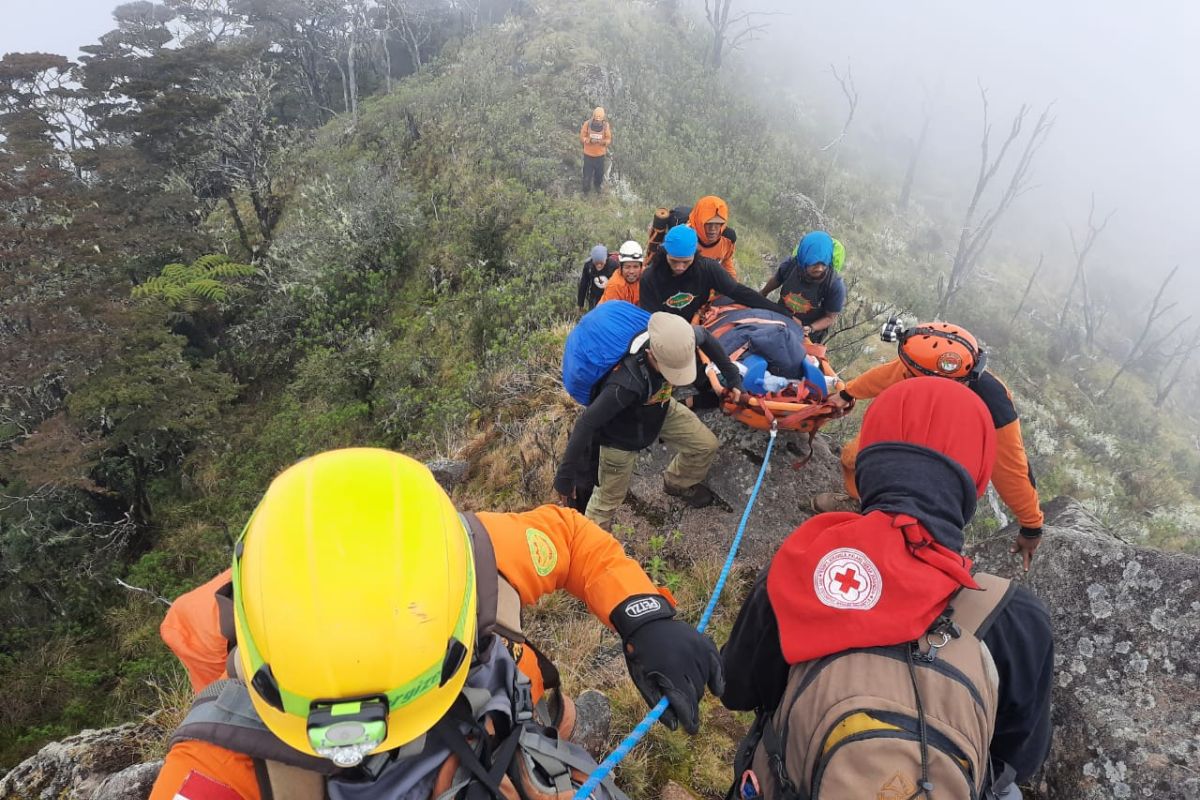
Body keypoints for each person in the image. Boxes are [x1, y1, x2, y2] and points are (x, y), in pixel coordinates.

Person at [151, 448, 724, 800]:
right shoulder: (217, 765)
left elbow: (569, 540)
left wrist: (644, 617)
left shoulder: (460, 558)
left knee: (556, 722)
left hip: (513, 732)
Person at [721, 379, 1053, 800]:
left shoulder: (806, 562)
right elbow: (1018, 760)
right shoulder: (1016, 618)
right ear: (978, 478)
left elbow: (736, 688)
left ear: (868, 462)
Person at [820, 321, 1045, 570]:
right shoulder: (918, 368)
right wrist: (847, 393)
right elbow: (885, 376)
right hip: (912, 429)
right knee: (853, 456)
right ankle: (859, 504)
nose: (904, 374)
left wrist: (1031, 525)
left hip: (949, 459)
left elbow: (1011, 468)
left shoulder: (993, 404)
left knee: (922, 503)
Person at [555, 312, 743, 527]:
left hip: (659, 407)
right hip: (619, 439)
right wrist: (564, 479)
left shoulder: (677, 341)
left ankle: (676, 484)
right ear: (651, 353)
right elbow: (586, 423)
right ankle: (590, 549)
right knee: (608, 501)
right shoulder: (625, 384)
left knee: (705, 445)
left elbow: (706, 337)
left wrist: (733, 378)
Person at [638, 225, 791, 323]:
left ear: (694, 254)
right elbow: (651, 319)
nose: (679, 267)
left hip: (699, 320)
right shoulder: (650, 277)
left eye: (686, 261)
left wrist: (782, 313)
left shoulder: (706, 269)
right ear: (666, 253)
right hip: (666, 326)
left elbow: (740, 292)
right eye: (674, 261)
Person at [759, 230, 846, 344]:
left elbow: (830, 318)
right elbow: (776, 280)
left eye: (823, 264)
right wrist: (761, 295)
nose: (819, 268)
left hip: (807, 334)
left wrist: (810, 328)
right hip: (781, 317)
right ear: (804, 257)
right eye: (814, 263)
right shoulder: (791, 265)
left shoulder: (834, 285)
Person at [687, 195, 738, 280]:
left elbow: (726, 261)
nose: (713, 229)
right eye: (708, 223)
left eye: (718, 223)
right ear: (699, 221)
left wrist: (733, 284)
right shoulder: (685, 236)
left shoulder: (728, 239)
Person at [599, 240, 645, 305]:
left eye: (635, 267)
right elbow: (611, 312)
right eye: (627, 267)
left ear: (641, 267)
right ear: (621, 267)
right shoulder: (615, 286)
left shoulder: (646, 278)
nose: (631, 271)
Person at [580, 106, 611, 194]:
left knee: (599, 175)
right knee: (587, 176)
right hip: (588, 155)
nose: (597, 121)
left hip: (600, 156)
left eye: (599, 119)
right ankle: (585, 192)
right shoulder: (587, 124)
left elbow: (608, 139)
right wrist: (589, 140)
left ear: (603, 118)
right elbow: (582, 137)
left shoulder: (606, 126)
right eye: (596, 119)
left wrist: (603, 142)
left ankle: (597, 187)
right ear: (593, 116)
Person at [578, 244, 618, 310]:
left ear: (606, 259)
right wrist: (580, 303)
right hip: (594, 297)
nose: (599, 266)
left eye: (601, 263)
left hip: (610, 297)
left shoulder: (613, 265)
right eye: (596, 263)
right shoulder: (588, 266)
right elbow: (583, 284)